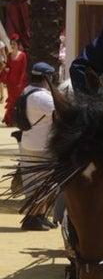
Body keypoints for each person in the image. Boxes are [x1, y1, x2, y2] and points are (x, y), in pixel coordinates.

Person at [16, 62, 58, 231]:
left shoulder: (26, 92)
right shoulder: (43, 98)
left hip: (28, 142)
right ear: (47, 77)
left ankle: (39, 215)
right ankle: (32, 218)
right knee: (45, 184)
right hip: (42, 145)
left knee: (34, 183)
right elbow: (63, 113)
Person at [1, 37, 28, 126]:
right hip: (10, 82)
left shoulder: (23, 55)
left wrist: (21, 82)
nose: (12, 46)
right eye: (11, 44)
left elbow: (23, 69)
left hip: (19, 82)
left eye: (14, 44)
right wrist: (6, 70)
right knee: (11, 101)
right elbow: (8, 66)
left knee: (17, 101)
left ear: (18, 45)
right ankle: (10, 120)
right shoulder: (9, 55)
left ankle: (17, 120)